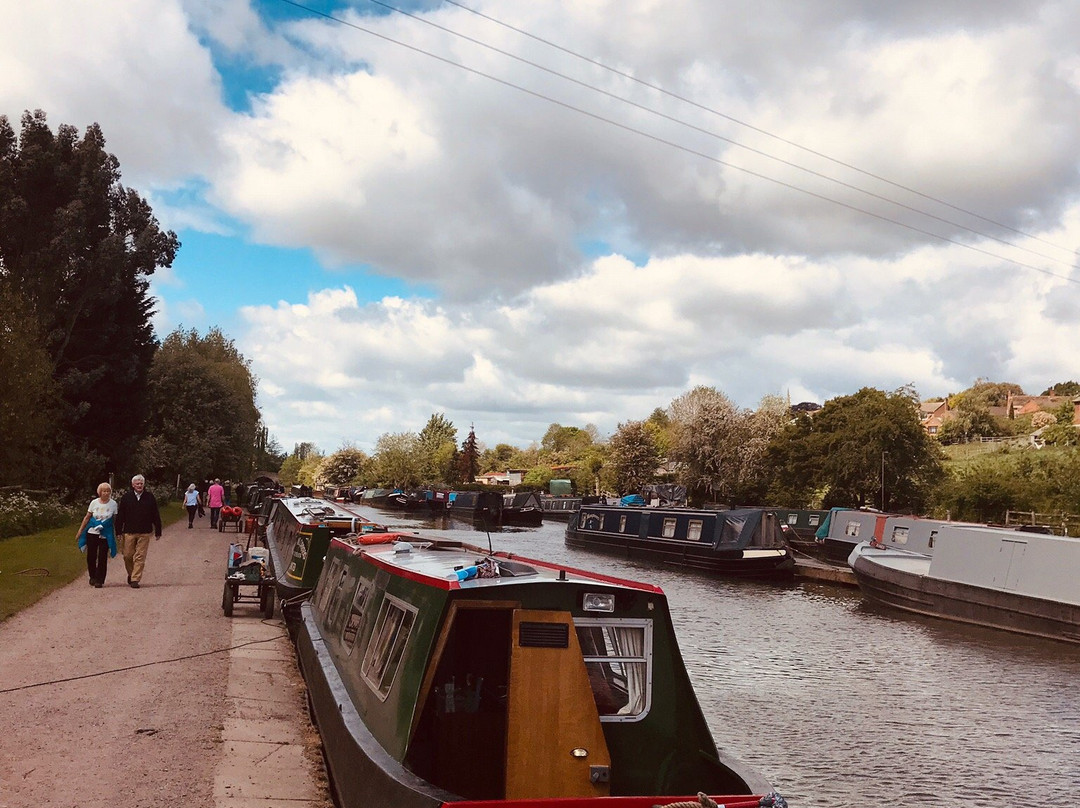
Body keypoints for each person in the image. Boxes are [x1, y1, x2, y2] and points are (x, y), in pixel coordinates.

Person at [115, 474, 162, 589]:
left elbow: (155, 514)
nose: (139, 485)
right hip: (129, 531)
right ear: (133, 485)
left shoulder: (149, 497)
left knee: (140, 556)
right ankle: (131, 574)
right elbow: (121, 515)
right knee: (127, 555)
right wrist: (118, 531)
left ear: (144, 484)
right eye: (137, 483)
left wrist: (158, 530)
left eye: (141, 483)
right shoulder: (126, 497)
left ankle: (135, 579)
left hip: (144, 531)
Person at [75, 482, 118, 588]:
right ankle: (92, 576)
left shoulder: (113, 504)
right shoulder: (94, 503)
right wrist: (80, 531)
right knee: (91, 556)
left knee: (103, 557)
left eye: (108, 491)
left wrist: (117, 533)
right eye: (104, 491)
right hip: (92, 532)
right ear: (100, 492)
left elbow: (115, 520)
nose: (106, 493)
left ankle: (100, 579)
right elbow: (87, 517)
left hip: (105, 533)